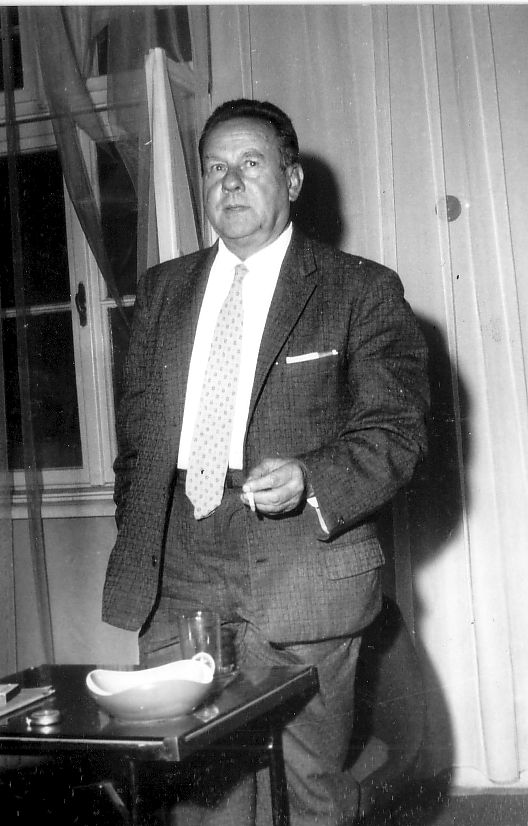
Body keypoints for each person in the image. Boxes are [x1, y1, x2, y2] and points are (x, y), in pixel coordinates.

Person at [102, 98, 429, 825]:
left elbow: (398, 430)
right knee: (195, 789)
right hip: (180, 561)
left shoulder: (359, 288)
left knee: (308, 786)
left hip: (301, 558)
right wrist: (146, 532)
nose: (230, 182)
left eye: (251, 163)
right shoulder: (161, 291)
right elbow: (138, 441)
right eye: (214, 167)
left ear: (293, 180)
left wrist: (313, 477)